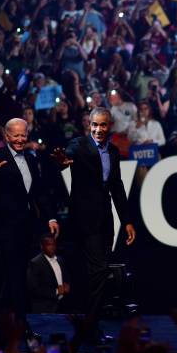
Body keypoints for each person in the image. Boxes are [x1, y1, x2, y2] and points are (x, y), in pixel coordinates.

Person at [54, 107, 135, 338]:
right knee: (97, 271)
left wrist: (126, 220)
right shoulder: (79, 145)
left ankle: (89, 323)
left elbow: (117, 187)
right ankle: (89, 323)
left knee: (98, 272)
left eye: (103, 125)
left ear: (110, 126)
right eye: (95, 125)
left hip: (105, 220)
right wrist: (62, 161)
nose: (98, 129)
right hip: (83, 221)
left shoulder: (114, 152)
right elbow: (66, 158)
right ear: (89, 125)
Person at [0, 118, 60, 331]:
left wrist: (51, 218)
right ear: (7, 136)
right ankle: (21, 322)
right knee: (16, 274)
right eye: (15, 135)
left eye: (23, 135)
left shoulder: (30, 159)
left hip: (26, 227)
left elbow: (40, 192)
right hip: (6, 228)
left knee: (15, 273)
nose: (19, 139)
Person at [27, 234, 70, 314]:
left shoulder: (60, 260)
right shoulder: (35, 263)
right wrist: (56, 291)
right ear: (42, 246)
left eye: (53, 244)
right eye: (48, 245)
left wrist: (67, 285)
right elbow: (33, 289)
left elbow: (65, 277)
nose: (52, 247)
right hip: (44, 308)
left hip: (61, 307)